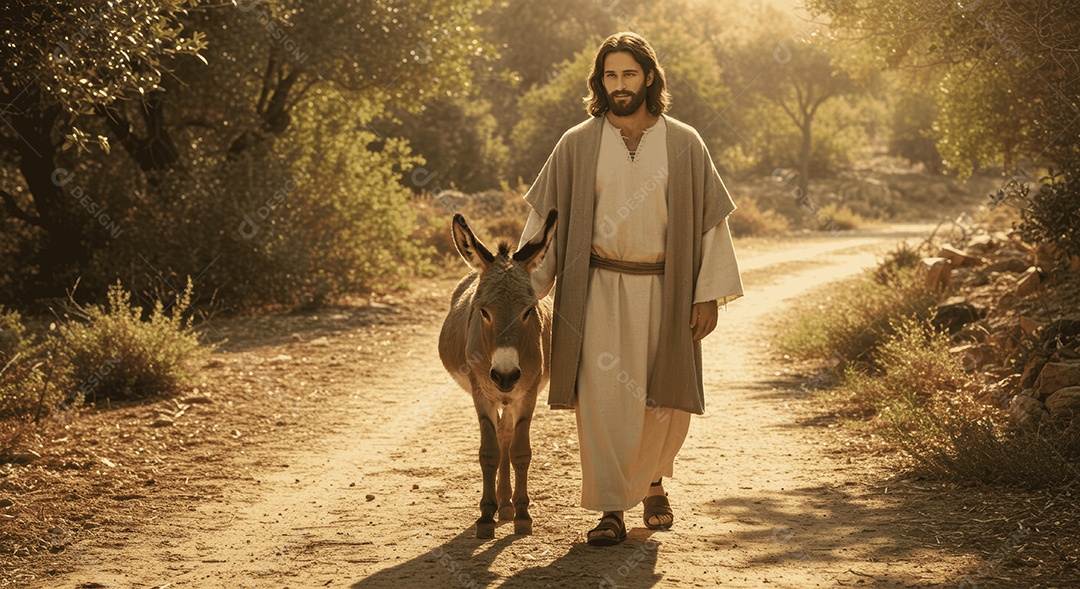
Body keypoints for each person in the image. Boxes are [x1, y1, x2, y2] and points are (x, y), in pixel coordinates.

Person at [518, 31, 743, 546]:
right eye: (610, 75)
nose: (619, 85)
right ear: (600, 81)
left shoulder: (685, 142)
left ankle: (654, 482)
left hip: (667, 290)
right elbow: (544, 223)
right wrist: (524, 288)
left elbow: (711, 225)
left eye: (629, 74)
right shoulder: (577, 143)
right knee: (603, 401)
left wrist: (706, 293)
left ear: (649, 77)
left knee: (662, 401)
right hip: (596, 289)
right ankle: (612, 509)